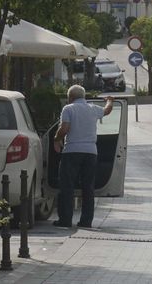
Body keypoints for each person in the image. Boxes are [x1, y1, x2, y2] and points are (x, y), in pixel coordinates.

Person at [52, 84, 113, 228]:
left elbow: (64, 129)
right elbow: (107, 110)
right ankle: (86, 221)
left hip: (72, 151)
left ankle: (65, 220)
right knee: (88, 187)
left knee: (67, 186)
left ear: (70, 97)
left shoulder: (68, 109)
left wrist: (56, 139)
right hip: (91, 152)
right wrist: (110, 100)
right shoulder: (93, 109)